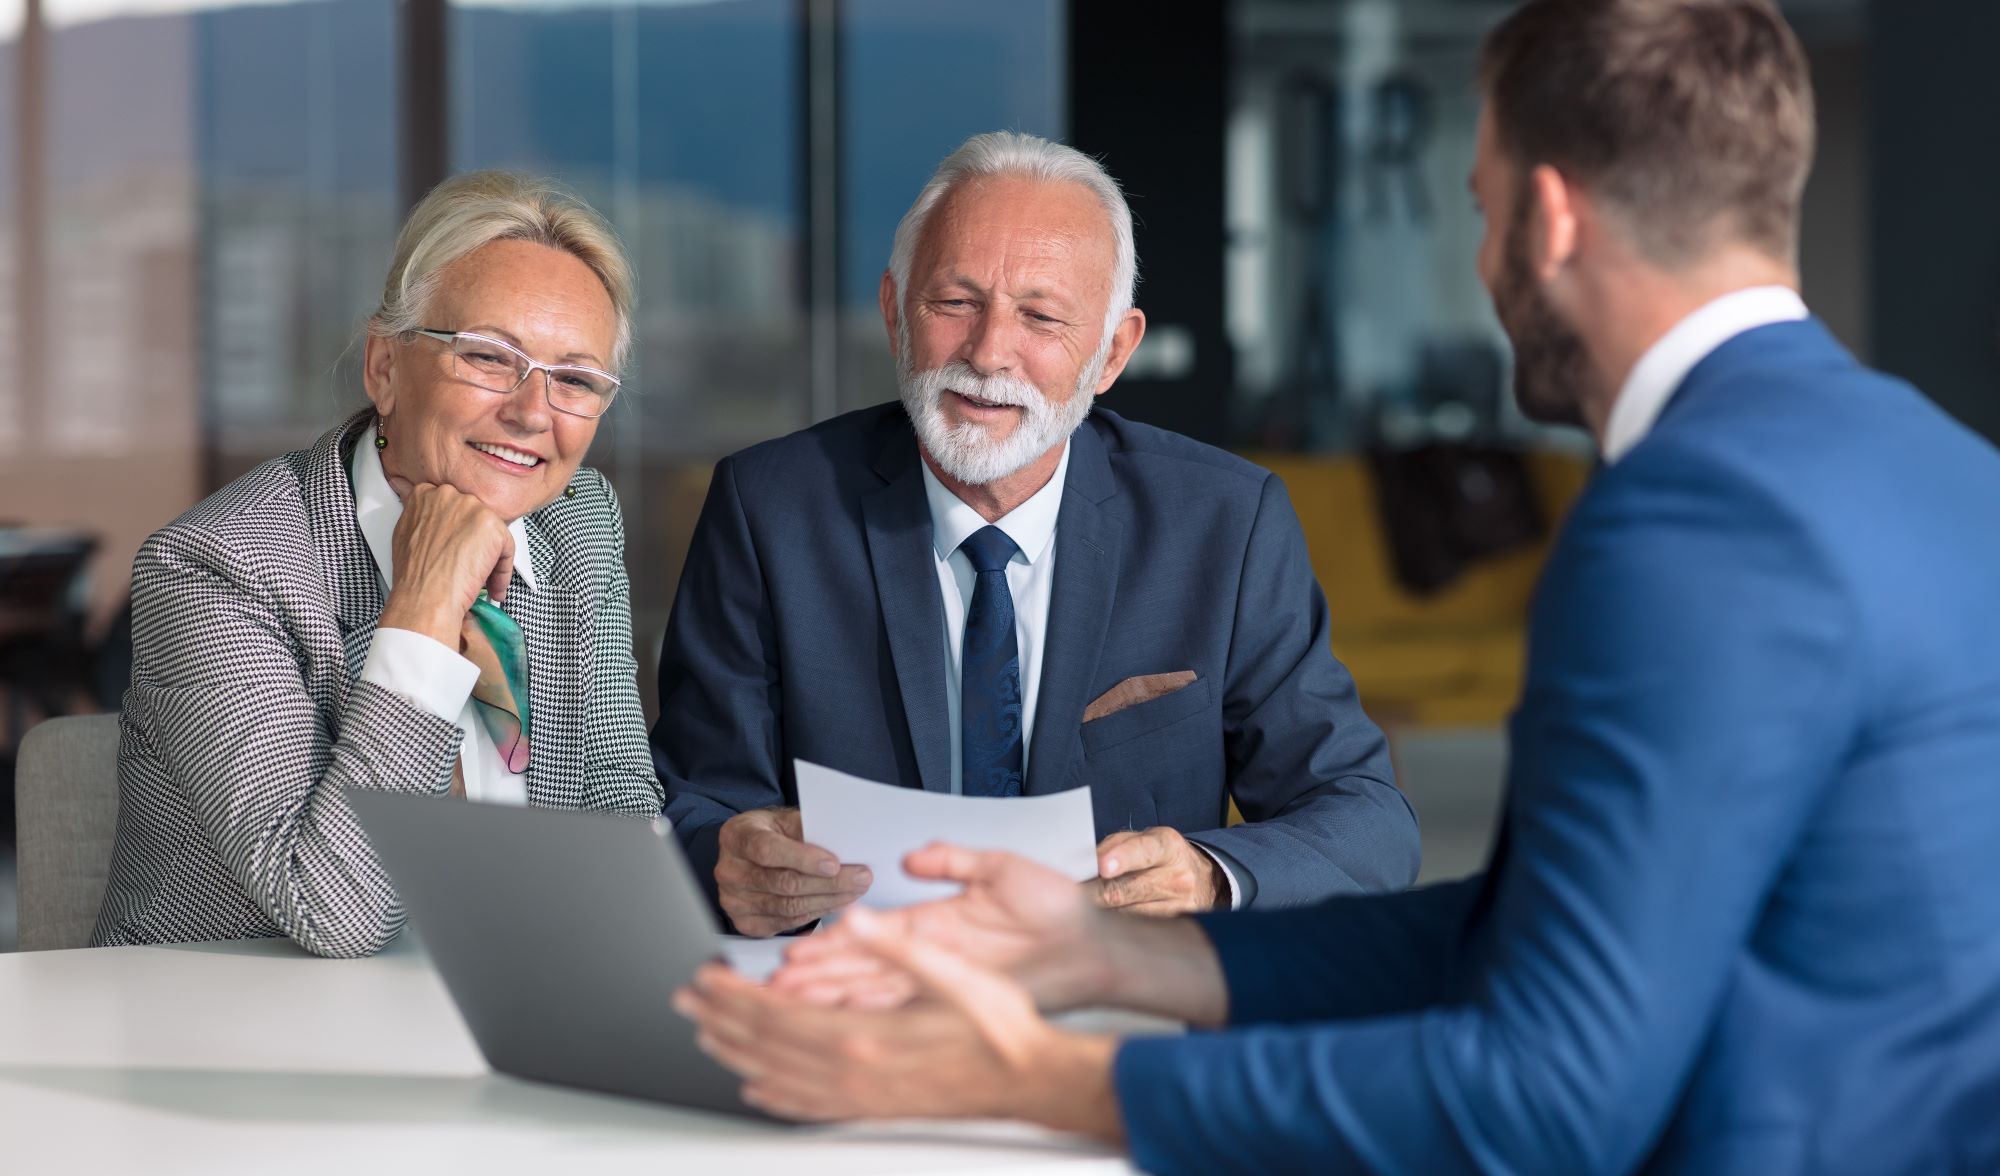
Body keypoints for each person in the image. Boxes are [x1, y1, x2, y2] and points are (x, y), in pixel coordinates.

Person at [675, 1, 2000, 1171]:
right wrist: (1122, 960)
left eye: (1477, 210)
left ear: (1545, 219)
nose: (1481, 265)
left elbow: (1544, 1096)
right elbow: (1531, 931)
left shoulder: (1690, 518)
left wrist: (1034, 1078)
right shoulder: (1946, 472)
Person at [651, 131, 1419, 937]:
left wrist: (1209, 876)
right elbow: (697, 798)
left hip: (1117, 1006)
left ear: (1113, 351)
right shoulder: (769, 507)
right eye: (955, 304)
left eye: (1041, 316)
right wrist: (725, 861)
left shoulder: (1224, 523)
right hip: (854, 994)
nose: (989, 354)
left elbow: (1369, 824)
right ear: (893, 311)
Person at [93, 172, 664, 958]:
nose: (533, 413)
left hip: (500, 1008)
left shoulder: (577, 523)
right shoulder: (220, 567)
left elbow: (616, 799)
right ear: (386, 369)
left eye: (574, 379)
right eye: (490, 358)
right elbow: (339, 912)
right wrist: (425, 610)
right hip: (232, 1037)